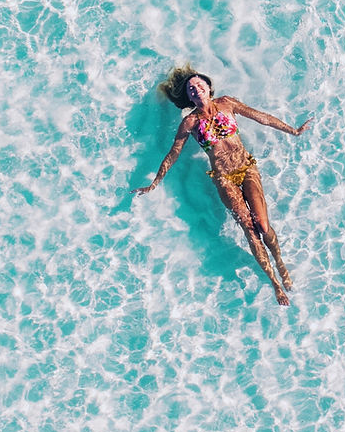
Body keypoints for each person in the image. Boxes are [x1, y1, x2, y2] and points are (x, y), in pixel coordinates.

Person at [132, 65, 313, 305]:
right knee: (249, 229)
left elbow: (262, 117)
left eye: (199, 84)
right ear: (189, 97)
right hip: (224, 178)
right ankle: (275, 284)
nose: (196, 89)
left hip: (247, 168)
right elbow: (173, 153)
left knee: (262, 224)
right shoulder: (189, 122)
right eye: (191, 89)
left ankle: (280, 263)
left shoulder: (227, 103)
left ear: (208, 87)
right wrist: (154, 183)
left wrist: (294, 131)